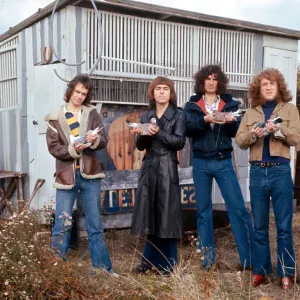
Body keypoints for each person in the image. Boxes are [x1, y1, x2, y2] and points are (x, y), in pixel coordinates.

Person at [184, 64, 254, 271]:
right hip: (200, 162)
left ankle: (249, 259)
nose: (211, 82)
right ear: (202, 81)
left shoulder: (230, 103)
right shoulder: (192, 104)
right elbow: (188, 129)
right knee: (203, 212)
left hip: (223, 161)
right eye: (208, 78)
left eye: (215, 79)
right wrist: (204, 120)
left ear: (220, 82)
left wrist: (231, 121)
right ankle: (207, 261)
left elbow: (234, 132)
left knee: (238, 208)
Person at [236, 68, 300, 289]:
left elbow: (296, 138)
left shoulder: (290, 109)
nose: (269, 87)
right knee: (260, 226)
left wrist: (278, 130)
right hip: (257, 172)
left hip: (280, 171)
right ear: (258, 89)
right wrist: (254, 133)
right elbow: (240, 140)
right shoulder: (251, 112)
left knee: (283, 226)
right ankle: (261, 271)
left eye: (272, 83)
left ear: (279, 86)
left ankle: (286, 273)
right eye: (264, 84)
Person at [45, 74, 115, 275]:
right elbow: (54, 148)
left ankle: (102, 269)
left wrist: (93, 140)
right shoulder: (54, 118)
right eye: (77, 92)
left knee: (95, 225)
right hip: (66, 177)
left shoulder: (92, 113)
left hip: (90, 175)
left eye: (84, 94)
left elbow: (103, 139)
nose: (80, 97)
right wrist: (74, 148)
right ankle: (56, 271)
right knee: (62, 225)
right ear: (70, 91)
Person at [130, 76, 186, 275]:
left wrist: (157, 132)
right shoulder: (146, 115)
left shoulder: (179, 115)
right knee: (151, 215)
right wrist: (142, 133)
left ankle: (169, 264)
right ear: (152, 93)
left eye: (165, 89)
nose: (161, 92)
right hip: (150, 166)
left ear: (171, 94)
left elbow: (179, 142)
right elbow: (139, 146)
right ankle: (148, 261)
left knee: (167, 216)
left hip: (167, 167)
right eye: (158, 89)